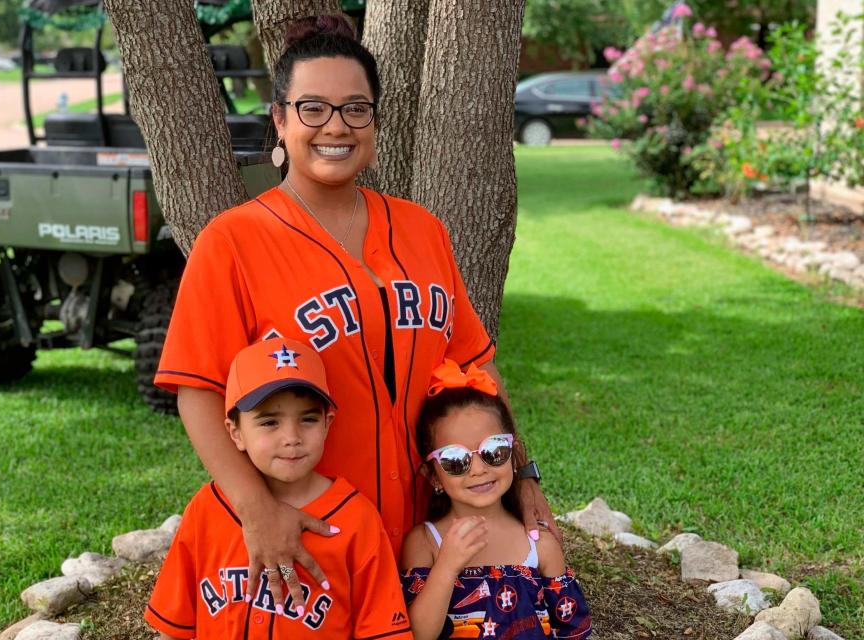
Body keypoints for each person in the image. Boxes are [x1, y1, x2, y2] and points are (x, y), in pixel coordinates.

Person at [154, 14, 559, 615]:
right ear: (281, 119)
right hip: (317, 530)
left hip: (433, 528)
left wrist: (522, 472)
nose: (335, 127)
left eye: (355, 109)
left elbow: (475, 368)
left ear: (374, 120)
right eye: (312, 108)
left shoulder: (422, 230)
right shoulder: (234, 240)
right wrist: (258, 510)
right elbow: (197, 390)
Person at [145, 337, 413, 640]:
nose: (291, 437)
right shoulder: (206, 509)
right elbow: (173, 627)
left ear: (328, 423)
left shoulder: (356, 520)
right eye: (269, 422)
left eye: (308, 419)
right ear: (235, 433)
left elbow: (382, 631)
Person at [400, 360, 592, 640]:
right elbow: (417, 635)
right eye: (455, 460)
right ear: (433, 476)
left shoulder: (540, 544)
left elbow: (572, 631)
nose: (478, 469)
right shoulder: (425, 542)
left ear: (513, 454)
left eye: (493, 450)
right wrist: (447, 566)